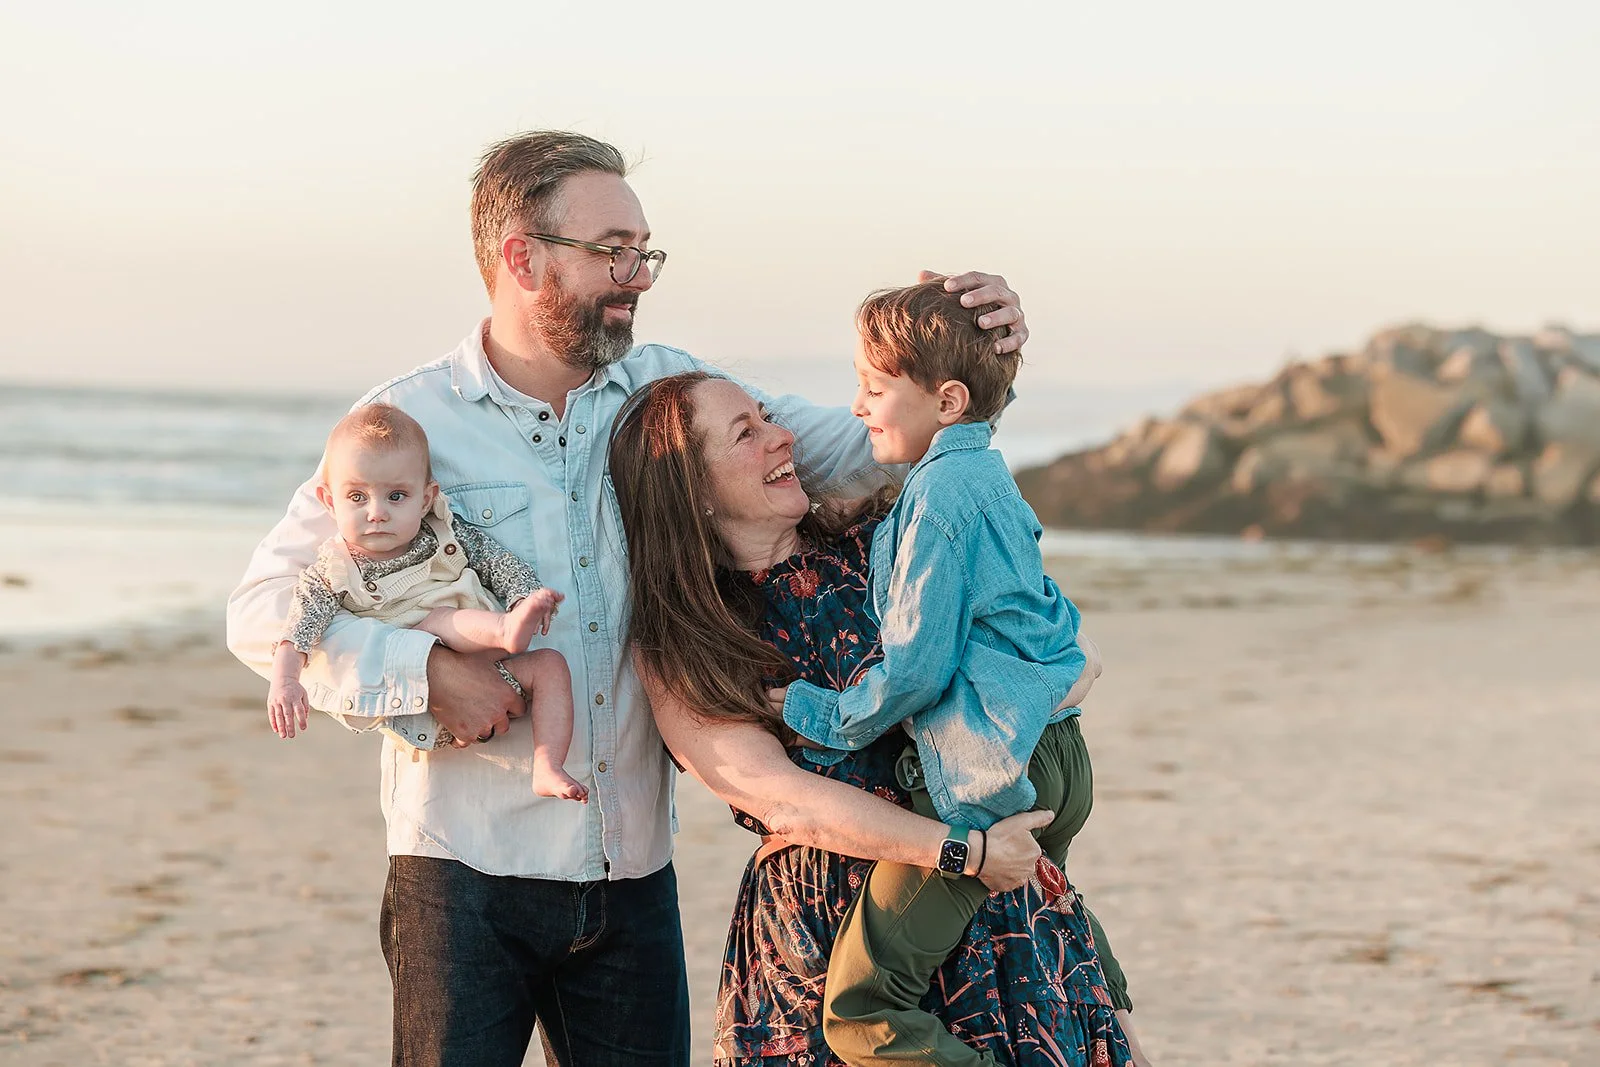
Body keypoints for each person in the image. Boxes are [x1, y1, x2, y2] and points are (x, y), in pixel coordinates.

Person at [225, 129, 1033, 1066]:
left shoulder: (671, 392)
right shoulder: (410, 421)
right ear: (520, 257)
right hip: (459, 870)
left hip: (633, 873)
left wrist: (961, 355)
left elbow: (865, 448)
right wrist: (425, 672)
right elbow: (265, 607)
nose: (637, 275)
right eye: (612, 252)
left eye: (642, 251)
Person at [610, 371, 1143, 1066]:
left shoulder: (888, 544)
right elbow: (786, 800)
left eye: (768, 416)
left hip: (995, 895)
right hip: (833, 942)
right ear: (693, 492)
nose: (785, 437)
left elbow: (1057, 649)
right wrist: (963, 851)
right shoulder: (690, 640)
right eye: (748, 433)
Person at [764, 280, 1125, 1064]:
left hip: (989, 775)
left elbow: (916, 673)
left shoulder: (936, 501)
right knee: (1053, 919)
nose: (857, 407)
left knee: (863, 1005)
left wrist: (813, 708)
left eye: (874, 387)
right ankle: (1115, 1029)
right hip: (1061, 754)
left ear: (948, 399)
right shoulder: (991, 474)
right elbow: (1040, 607)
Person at [264, 403, 584, 802]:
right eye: (357, 497)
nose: (377, 513)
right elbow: (298, 630)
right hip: (422, 695)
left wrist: (523, 593)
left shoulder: (444, 533)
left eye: (396, 496)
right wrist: (286, 680)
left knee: (551, 666)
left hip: (491, 675)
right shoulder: (333, 570)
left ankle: (548, 765)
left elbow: (496, 561)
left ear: (426, 498)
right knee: (441, 620)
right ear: (329, 502)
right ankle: (507, 627)